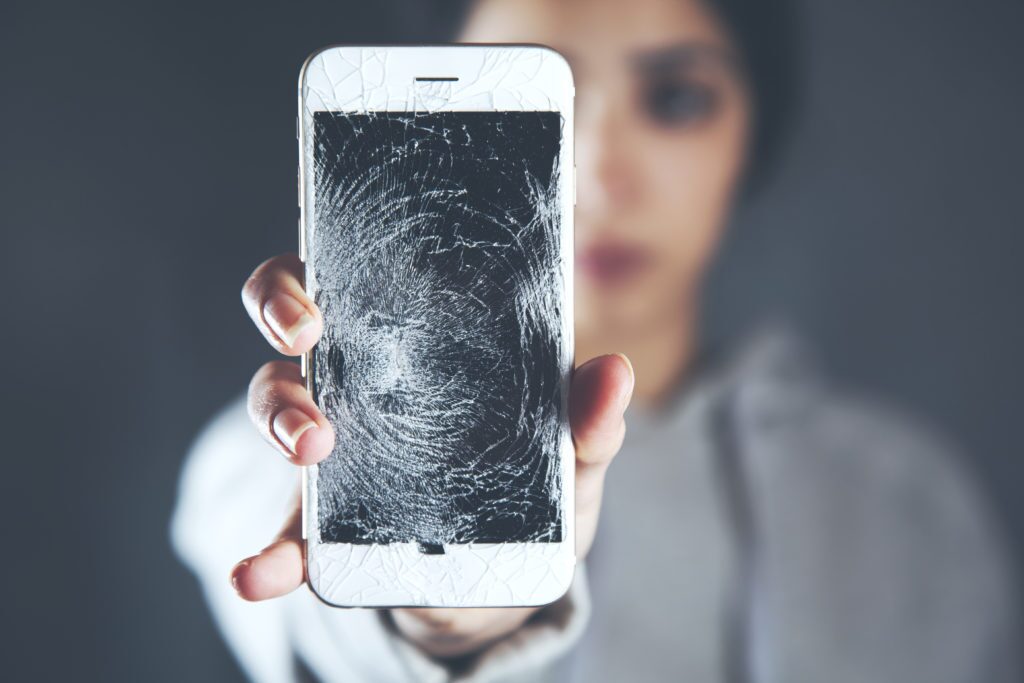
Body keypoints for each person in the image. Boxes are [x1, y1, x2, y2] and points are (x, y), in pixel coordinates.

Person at [171, 0, 1020, 681]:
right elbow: (309, 610)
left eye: (675, 100)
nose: (601, 172)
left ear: (751, 138)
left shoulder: (907, 500)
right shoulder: (272, 468)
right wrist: (447, 618)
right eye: (547, 111)